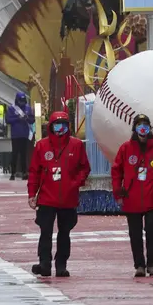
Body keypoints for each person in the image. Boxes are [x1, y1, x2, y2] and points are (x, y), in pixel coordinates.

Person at [27, 111, 91, 277]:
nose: (60, 127)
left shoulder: (76, 145)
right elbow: (34, 172)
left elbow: (85, 168)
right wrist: (32, 194)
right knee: (45, 231)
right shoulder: (42, 146)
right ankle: (44, 263)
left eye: (63, 124)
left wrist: (75, 182)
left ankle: (61, 264)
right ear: (51, 126)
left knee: (65, 232)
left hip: (68, 199)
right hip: (47, 198)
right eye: (57, 124)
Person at [111, 114, 153, 277]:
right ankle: (139, 265)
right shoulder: (126, 148)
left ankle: (151, 264)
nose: (142, 128)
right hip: (132, 199)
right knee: (135, 234)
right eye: (139, 125)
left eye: (145, 125)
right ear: (134, 128)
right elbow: (116, 171)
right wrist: (118, 191)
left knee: (152, 232)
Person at [7, 92, 36, 180]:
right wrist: (17, 118)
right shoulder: (11, 108)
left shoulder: (28, 108)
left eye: (23, 100)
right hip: (15, 135)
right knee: (15, 154)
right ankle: (13, 173)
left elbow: (32, 120)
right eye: (20, 100)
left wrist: (27, 118)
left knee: (24, 154)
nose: (22, 102)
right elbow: (8, 120)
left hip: (24, 134)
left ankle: (24, 172)